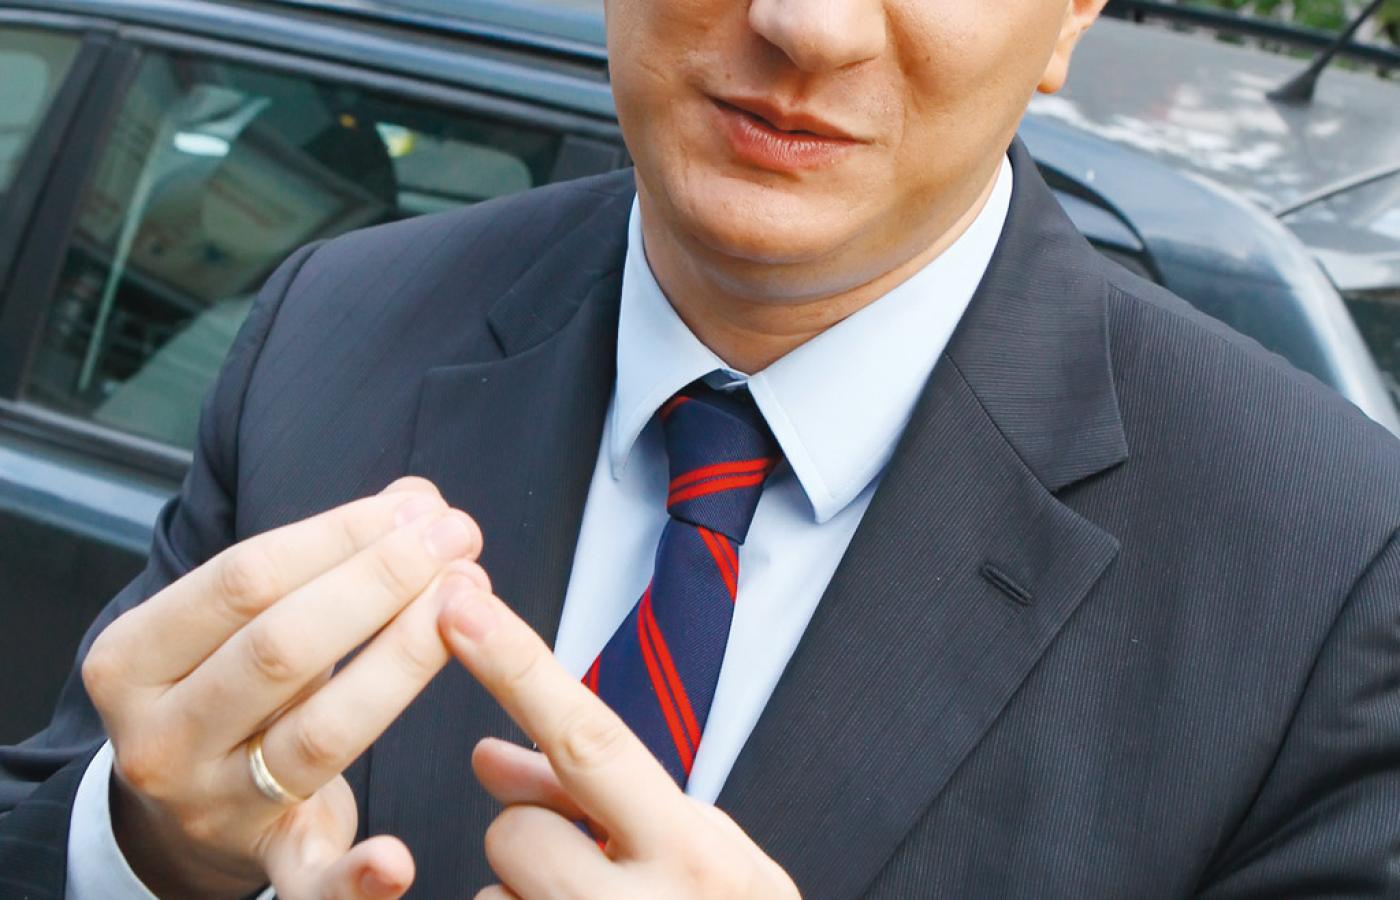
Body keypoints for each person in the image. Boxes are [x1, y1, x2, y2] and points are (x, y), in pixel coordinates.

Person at [5, 0, 1400, 896]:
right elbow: (57, 818)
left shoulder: (1329, 579)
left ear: (1071, 16)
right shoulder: (337, 321)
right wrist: (146, 849)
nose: (805, 24)